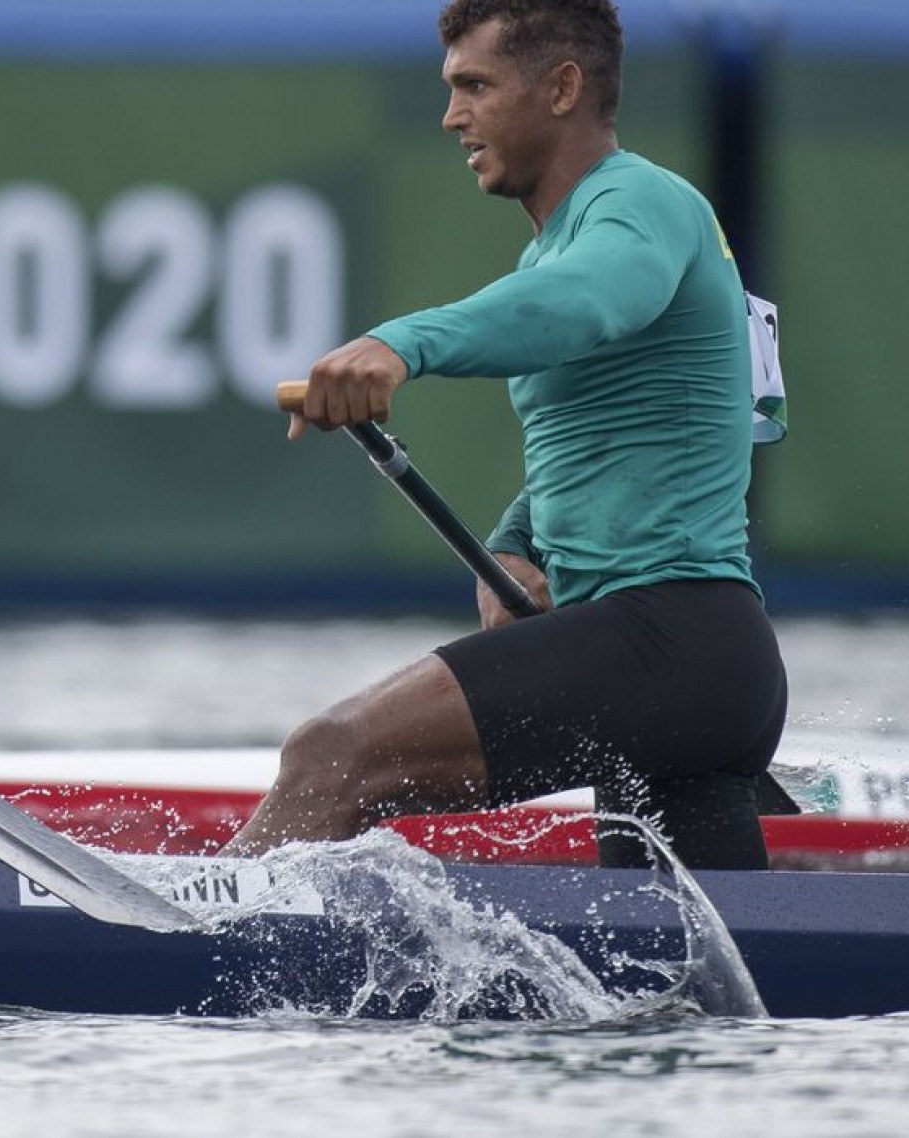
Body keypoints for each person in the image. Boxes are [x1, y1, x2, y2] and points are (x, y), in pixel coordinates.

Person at [221, 0, 787, 869]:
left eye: (473, 86)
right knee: (682, 990)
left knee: (330, 756)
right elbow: (627, 436)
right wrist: (517, 544)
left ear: (561, 87)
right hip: (698, 668)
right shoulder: (562, 246)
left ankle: (179, 951)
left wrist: (398, 342)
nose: (452, 116)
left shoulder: (641, 204)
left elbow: (588, 302)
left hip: (667, 639)